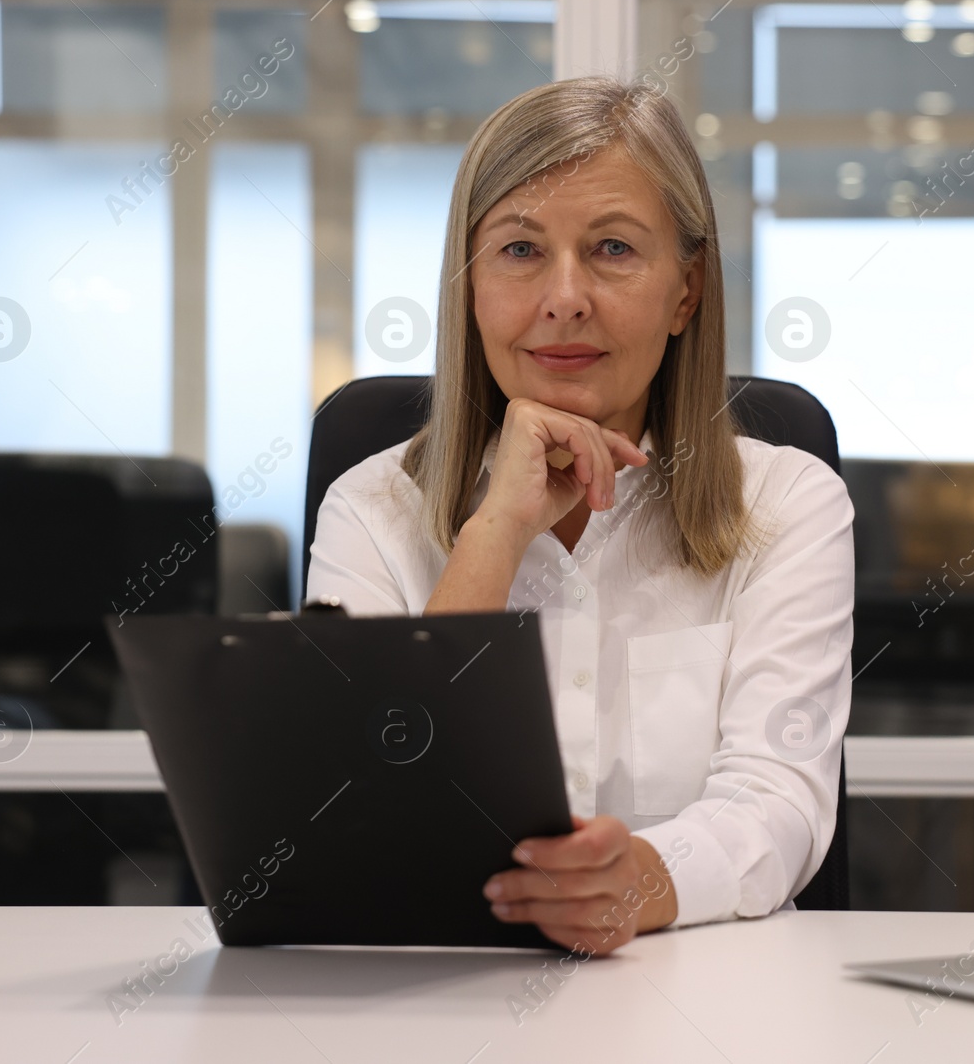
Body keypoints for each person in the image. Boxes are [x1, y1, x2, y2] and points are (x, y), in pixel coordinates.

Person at [306, 76, 853, 955]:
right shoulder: (370, 508)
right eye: (520, 251)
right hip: (431, 999)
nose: (565, 296)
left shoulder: (789, 503)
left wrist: (634, 879)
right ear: (471, 289)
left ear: (686, 292)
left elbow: (778, 801)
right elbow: (374, 808)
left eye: (612, 248)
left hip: (712, 1004)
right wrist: (494, 532)